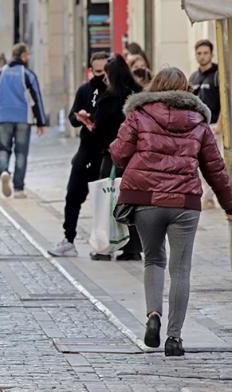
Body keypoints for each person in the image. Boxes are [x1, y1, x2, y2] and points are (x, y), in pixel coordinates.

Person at [110, 67, 232, 356]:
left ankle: (153, 315)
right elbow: (215, 168)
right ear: (186, 90)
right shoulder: (199, 121)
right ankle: (174, 338)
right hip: (184, 203)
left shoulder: (138, 114)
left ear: (155, 86)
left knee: (153, 259)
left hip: (146, 199)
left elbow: (118, 153)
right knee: (181, 270)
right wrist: (229, 204)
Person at [81, 54, 142, 261]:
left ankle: (105, 247)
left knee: (107, 203)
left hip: (112, 158)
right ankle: (132, 248)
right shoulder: (138, 95)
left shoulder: (107, 99)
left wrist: (90, 124)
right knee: (133, 203)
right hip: (135, 160)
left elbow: (99, 132)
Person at [48, 52, 109, 257]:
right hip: (86, 151)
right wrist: (81, 117)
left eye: (104, 71)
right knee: (73, 194)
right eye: (97, 71)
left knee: (105, 200)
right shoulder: (85, 89)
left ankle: (106, 244)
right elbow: (73, 118)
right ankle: (69, 238)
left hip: (106, 154)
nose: (100, 76)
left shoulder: (115, 92)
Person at [0, 43, 48, 199]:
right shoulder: (28, 74)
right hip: (22, 118)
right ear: (23, 56)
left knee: (3, 149)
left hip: (3, 118)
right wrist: (41, 121)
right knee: (21, 152)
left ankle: (4, 171)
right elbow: (36, 98)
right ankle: (18, 188)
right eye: (28, 54)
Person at [189, 39, 222, 209]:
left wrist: (220, 124)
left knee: (218, 163)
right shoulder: (194, 77)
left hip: (215, 126)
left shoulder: (218, 74)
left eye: (205, 53)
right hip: (198, 127)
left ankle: (218, 195)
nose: (202, 56)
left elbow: (226, 100)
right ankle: (207, 197)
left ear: (211, 54)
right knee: (201, 164)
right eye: (199, 53)